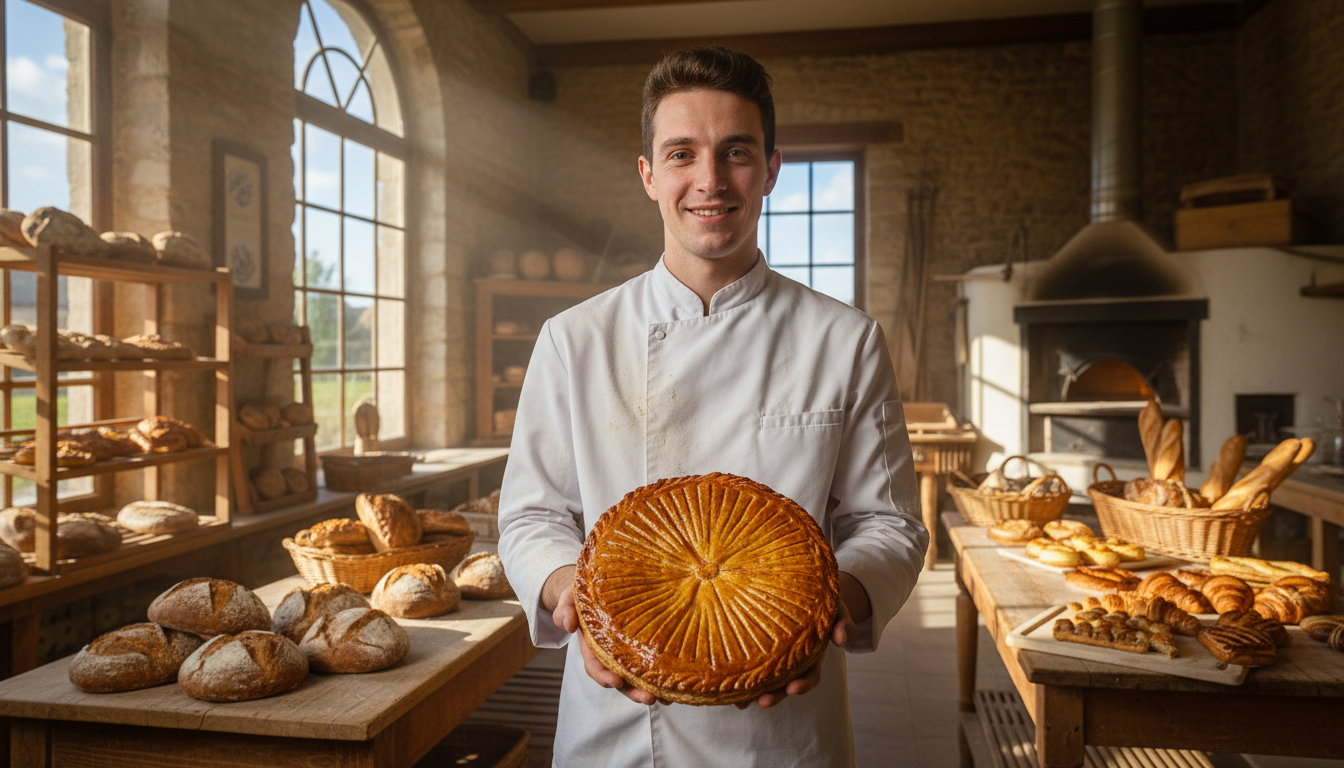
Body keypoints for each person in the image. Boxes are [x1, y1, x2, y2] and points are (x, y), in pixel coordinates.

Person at [497, 45, 927, 768]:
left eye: (735, 152)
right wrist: (577, 599)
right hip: (618, 727)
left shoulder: (844, 338)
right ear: (648, 174)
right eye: (681, 154)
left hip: (783, 729)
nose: (709, 180)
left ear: (770, 169)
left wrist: (829, 610)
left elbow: (888, 523)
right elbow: (532, 515)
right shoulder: (575, 339)